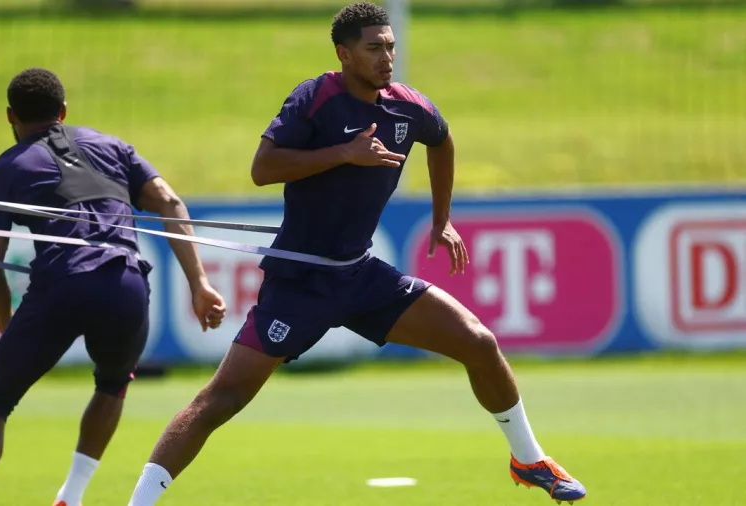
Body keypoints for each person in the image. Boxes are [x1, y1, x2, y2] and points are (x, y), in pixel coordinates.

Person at [126, 2, 588, 505]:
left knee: (478, 342)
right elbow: (263, 168)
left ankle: (528, 459)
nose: (387, 57)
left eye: (390, 45)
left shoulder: (407, 106)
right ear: (345, 55)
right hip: (299, 284)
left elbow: (442, 140)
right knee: (222, 400)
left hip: (360, 277)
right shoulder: (314, 98)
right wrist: (342, 154)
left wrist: (442, 219)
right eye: (374, 48)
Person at [0, 67, 227, 506]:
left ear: (10, 116)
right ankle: (72, 495)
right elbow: (168, 201)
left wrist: (6, 323)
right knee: (111, 385)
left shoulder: (4, 169)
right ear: (63, 112)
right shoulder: (112, 147)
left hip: (60, 286)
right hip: (124, 283)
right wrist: (199, 283)